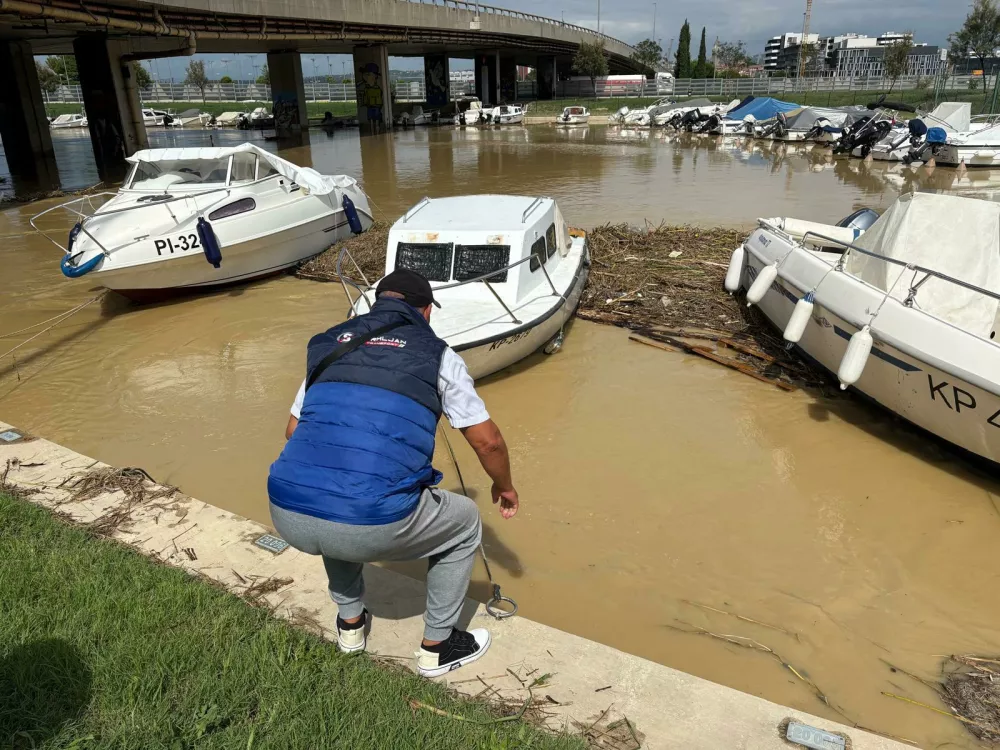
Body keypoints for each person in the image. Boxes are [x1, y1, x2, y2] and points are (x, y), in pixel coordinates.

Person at [268, 269, 519, 678]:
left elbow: (293, 430)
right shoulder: (438, 354)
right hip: (366, 522)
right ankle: (438, 647)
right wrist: (504, 487)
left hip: (286, 512)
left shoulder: (329, 344)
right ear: (426, 311)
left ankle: (350, 626)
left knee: (336, 486)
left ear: (378, 302)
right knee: (465, 521)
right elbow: (488, 442)